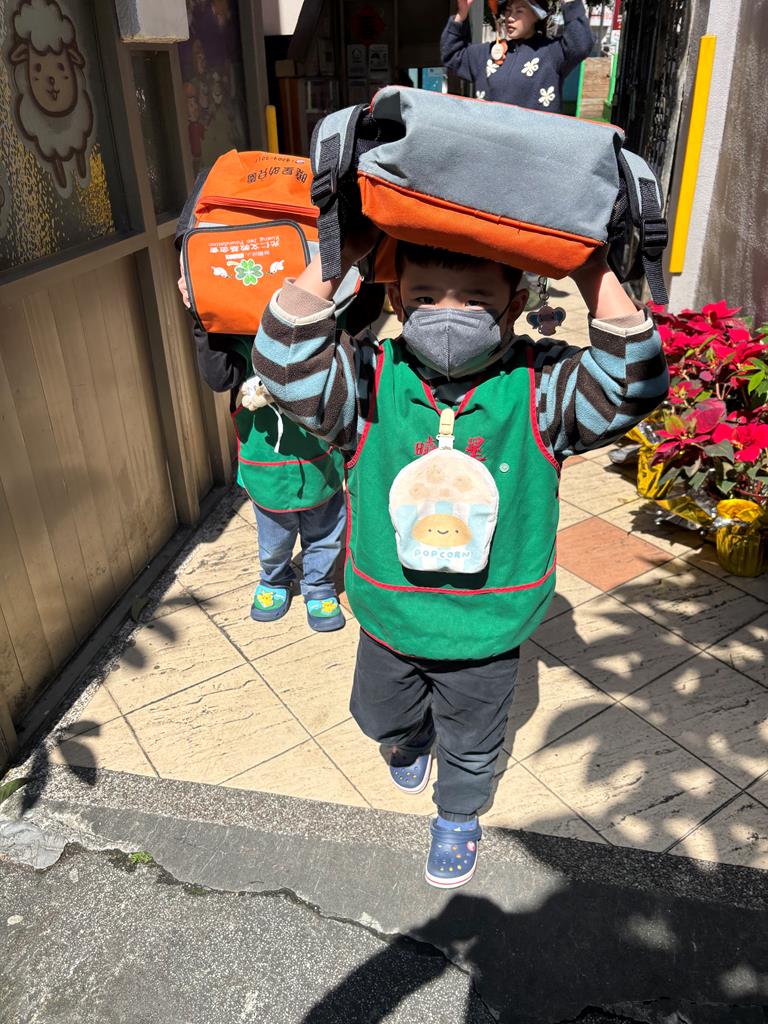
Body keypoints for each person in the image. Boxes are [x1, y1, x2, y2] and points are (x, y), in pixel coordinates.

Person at [250, 229, 668, 888]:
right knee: (378, 717)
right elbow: (282, 364)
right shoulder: (367, 383)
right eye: (425, 297)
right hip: (390, 618)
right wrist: (339, 254)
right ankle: (411, 737)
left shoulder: (541, 387)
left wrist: (591, 269)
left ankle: (458, 815)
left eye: (474, 299)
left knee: (473, 742)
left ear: (515, 304)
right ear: (397, 300)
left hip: (487, 629)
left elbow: (633, 383)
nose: (448, 315)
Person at [176, 258, 349, 630]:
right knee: (274, 539)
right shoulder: (239, 337)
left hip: (321, 462)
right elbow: (219, 377)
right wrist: (201, 315)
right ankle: (275, 577)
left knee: (325, 531)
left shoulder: (325, 330)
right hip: (265, 465)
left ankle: (318, 584)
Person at [441, 0, 593, 112]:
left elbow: (581, 45)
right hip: (491, 143)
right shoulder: (487, 53)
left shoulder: (552, 52)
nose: (510, 17)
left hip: (534, 144)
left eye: (519, 11)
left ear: (536, 15)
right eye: (508, 11)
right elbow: (452, 55)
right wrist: (461, 16)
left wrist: (571, 4)